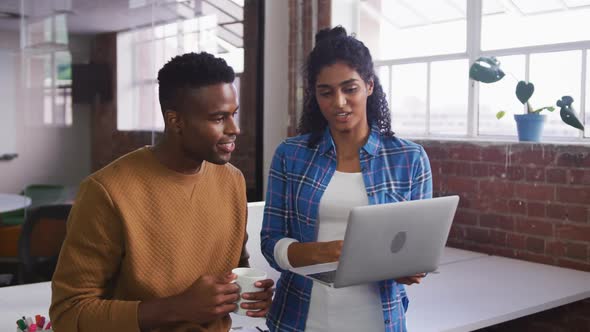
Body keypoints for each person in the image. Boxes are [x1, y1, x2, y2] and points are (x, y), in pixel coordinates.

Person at [50, 52, 274, 332]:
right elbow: (68, 314)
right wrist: (178, 308)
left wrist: (251, 293)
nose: (235, 129)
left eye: (233, 114)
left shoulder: (232, 182)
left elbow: (233, 268)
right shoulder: (105, 193)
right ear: (176, 121)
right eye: (218, 118)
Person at [260, 26, 433, 332]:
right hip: (298, 318)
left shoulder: (409, 158)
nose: (338, 102)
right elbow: (270, 240)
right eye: (326, 92)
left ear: (368, 86)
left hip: (377, 319)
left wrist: (411, 268)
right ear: (315, 95)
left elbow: (415, 249)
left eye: (349, 88)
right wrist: (316, 252)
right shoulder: (291, 154)